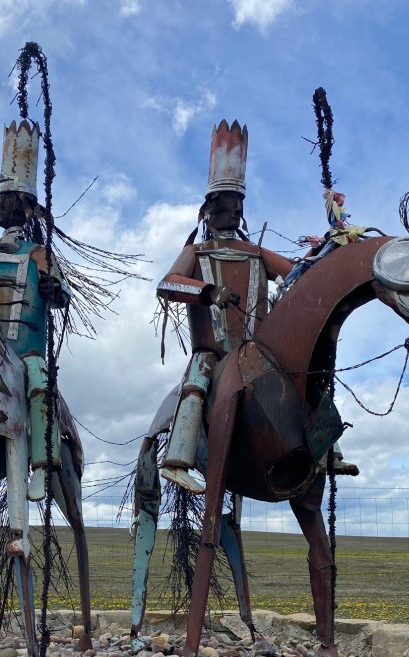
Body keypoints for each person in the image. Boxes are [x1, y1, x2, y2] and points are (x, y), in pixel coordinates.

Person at [157, 119, 294, 493]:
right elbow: (168, 284)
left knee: (300, 377)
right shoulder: (196, 252)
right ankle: (178, 459)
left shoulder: (257, 253)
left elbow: (297, 273)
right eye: (226, 205)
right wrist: (209, 292)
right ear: (210, 210)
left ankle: (327, 449)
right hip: (213, 352)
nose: (233, 212)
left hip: (256, 353)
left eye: (238, 206)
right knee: (197, 379)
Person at [0, 120, 69, 502]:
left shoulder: (39, 254)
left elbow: (61, 295)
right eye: (4, 201)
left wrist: (54, 289)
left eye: (16, 202)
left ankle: (43, 465)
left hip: (25, 352)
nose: (7, 208)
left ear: (30, 210)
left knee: (40, 381)